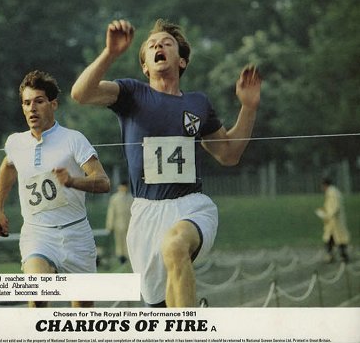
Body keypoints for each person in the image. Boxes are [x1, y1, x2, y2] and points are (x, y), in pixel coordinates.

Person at [71, 19, 262, 307]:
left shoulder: (198, 104)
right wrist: (110, 53)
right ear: (146, 66)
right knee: (159, 307)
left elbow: (228, 153)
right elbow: (80, 94)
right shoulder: (131, 94)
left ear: (182, 61)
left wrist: (248, 107)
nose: (158, 45)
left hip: (191, 205)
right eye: (151, 45)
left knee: (175, 245)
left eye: (167, 43)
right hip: (147, 214)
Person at [0, 70, 110, 308]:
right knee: (37, 292)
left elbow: (103, 181)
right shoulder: (16, 142)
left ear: (53, 104)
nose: (32, 108)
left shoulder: (74, 140)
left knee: (82, 315)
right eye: (26, 103)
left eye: (39, 101)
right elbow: (8, 167)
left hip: (76, 235)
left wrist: (73, 181)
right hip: (38, 234)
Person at [315, 177, 350, 263]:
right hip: (332, 221)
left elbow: (335, 207)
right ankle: (332, 255)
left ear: (325, 185)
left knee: (338, 238)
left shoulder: (332, 193)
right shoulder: (332, 192)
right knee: (331, 238)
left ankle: (342, 256)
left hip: (335, 221)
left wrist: (326, 215)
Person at [106, 180, 133, 265]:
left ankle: (128, 258)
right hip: (118, 223)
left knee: (128, 242)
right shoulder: (114, 198)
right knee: (119, 242)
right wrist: (109, 225)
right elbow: (111, 212)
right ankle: (121, 258)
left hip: (129, 223)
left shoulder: (131, 197)